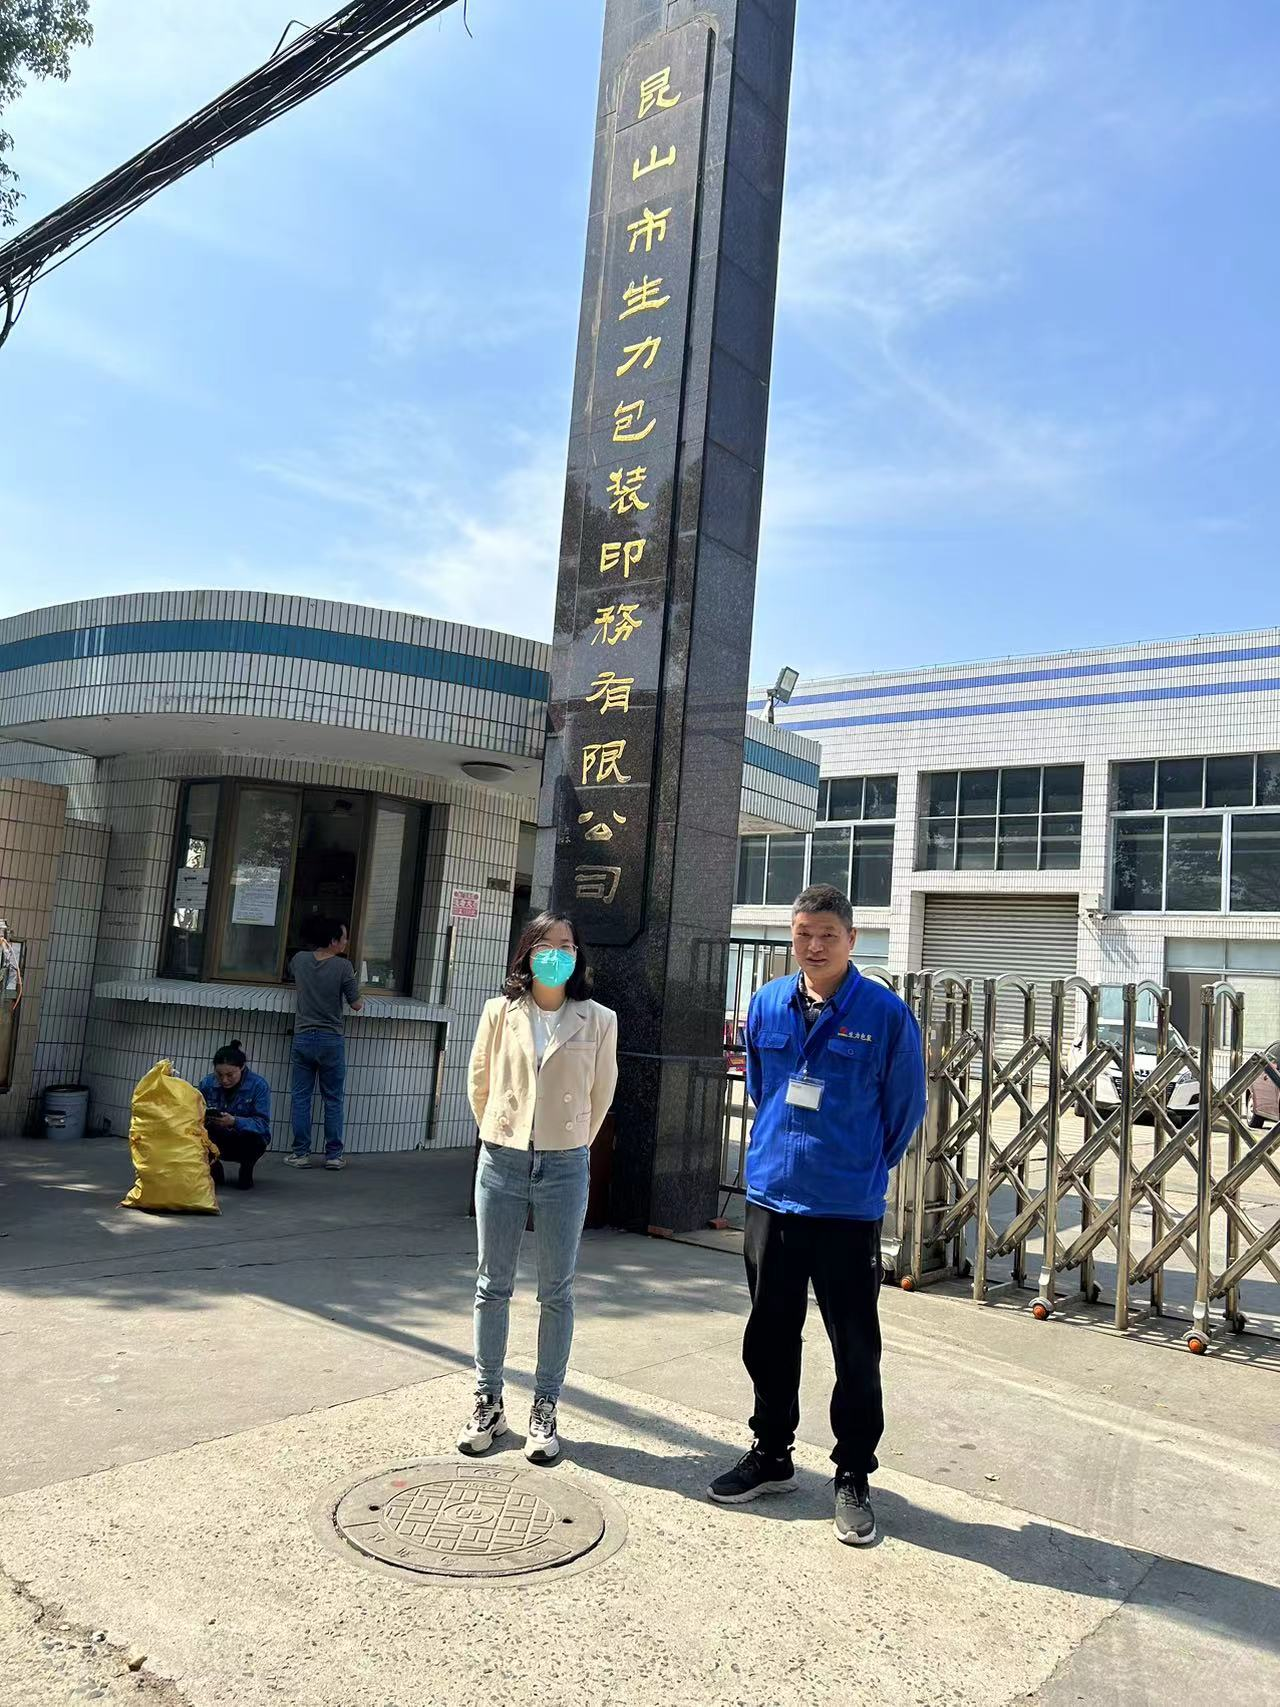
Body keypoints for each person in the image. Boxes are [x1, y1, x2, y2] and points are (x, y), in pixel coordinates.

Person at [708, 883, 927, 1546]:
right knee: (769, 1334)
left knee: (854, 1346)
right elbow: (763, 1088)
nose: (815, 945)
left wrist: (858, 1164)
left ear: (852, 939)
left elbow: (904, 1109)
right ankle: (771, 1451)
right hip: (773, 1196)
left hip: (844, 1207)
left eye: (828, 934)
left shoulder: (885, 1014)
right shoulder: (767, 1002)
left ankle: (853, 1472)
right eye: (803, 933)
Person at [460, 912, 618, 1465]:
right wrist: (502, 1132)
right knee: (491, 1284)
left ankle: (545, 1405)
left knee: (557, 1291)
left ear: (578, 955)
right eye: (546, 944)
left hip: (565, 1162)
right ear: (527, 953)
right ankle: (488, 1399)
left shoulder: (599, 1019)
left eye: (567, 945)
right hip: (502, 1158)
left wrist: (568, 1141)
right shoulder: (499, 1012)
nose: (557, 954)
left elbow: (601, 1094)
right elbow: (479, 1083)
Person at [283, 915, 362, 1172]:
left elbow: (292, 975)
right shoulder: (343, 967)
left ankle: (300, 1154)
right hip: (331, 1040)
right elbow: (356, 1004)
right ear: (332, 941)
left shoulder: (299, 960)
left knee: (301, 1098)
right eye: (344, 937)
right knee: (333, 1099)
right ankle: (334, 1156)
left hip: (303, 1037)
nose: (346, 942)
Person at [198, 1041, 272, 1191]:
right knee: (195, 1134)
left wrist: (234, 1121)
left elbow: (262, 1124)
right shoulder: (207, 1083)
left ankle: (246, 1169)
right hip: (216, 1137)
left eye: (230, 1075)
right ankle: (214, 1168)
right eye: (219, 1074)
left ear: (242, 1067)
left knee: (255, 1138)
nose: (224, 1080)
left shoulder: (259, 1085)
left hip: (244, 1139)